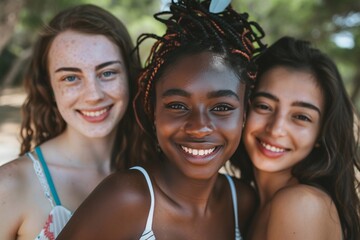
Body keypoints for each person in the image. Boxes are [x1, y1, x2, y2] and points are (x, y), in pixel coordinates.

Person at [57, 0, 266, 239]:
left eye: (221, 107)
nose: (199, 127)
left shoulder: (242, 202)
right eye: (178, 106)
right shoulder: (125, 199)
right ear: (153, 112)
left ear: (244, 115)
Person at [0, 4, 147, 240]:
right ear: (48, 87)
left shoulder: (156, 170)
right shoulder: (10, 186)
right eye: (70, 77)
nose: (93, 95)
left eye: (107, 73)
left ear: (129, 76)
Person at [231, 36, 360, 240]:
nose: (276, 129)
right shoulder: (252, 203)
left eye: (301, 117)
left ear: (321, 133)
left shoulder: (300, 204)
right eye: (264, 106)